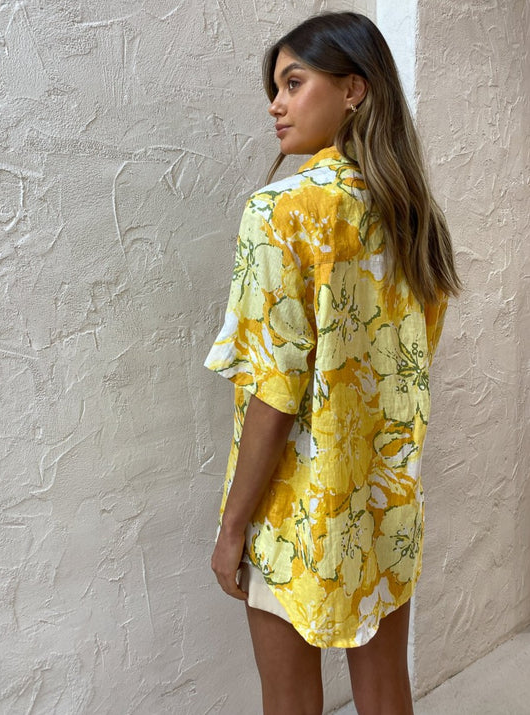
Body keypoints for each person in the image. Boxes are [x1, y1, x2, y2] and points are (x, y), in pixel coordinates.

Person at [205, 11, 460, 715]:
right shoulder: (411, 215)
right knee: (385, 690)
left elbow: (275, 388)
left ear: (354, 89)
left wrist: (232, 528)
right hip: (382, 497)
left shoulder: (280, 212)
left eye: (293, 83)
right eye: (274, 88)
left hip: (294, 503)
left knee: (289, 701)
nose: (275, 104)